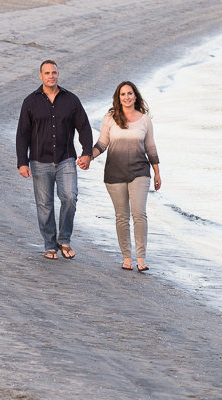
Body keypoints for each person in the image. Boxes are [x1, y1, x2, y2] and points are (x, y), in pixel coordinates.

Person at [16, 59, 93, 260]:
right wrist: (22, 162)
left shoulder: (71, 100)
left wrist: (87, 153)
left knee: (70, 197)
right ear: (40, 76)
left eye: (54, 73)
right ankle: (50, 245)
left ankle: (64, 239)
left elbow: (84, 127)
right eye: (47, 73)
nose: (51, 76)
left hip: (66, 158)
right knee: (45, 204)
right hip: (39, 161)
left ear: (58, 75)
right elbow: (22, 133)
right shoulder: (30, 102)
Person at [91, 81, 161, 273]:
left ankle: (141, 258)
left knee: (139, 213)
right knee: (122, 217)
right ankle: (126, 258)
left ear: (135, 96)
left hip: (140, 172)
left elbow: (151, 148)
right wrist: (88, 157)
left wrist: (157, 172)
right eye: (123, 94)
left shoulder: (144, 120)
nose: (127, 97)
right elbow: (102, 143)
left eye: (130, 93)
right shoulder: (110, 118)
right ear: (118, 97)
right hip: (115, 173)